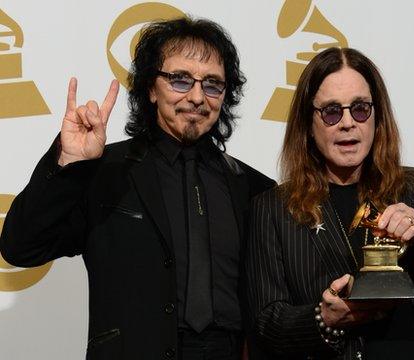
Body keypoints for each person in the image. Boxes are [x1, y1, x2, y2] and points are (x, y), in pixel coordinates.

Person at [0, 17, 274, 360]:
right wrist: (68, 163)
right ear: (150, 88)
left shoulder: (256, 189)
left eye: (213, 84)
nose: (196, 97)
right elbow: (21, 247)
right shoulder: (106, 172)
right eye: (180, 80)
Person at [245, 47, 414, 360]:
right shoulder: (273, 208)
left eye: (360, 109)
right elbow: (267, 325)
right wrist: (325, 318)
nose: (348, 123)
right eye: (332, 111)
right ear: (308, 123)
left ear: (377, 117)